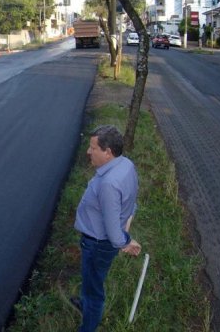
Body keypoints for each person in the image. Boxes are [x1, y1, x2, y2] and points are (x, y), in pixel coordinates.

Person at [73, 125, 142, 332]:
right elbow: (131, 199)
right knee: (92, 280)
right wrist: (127, 220)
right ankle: (86, 304)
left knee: (94, 290)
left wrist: (125, 241)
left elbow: (113, 232)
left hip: (97, 244)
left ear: (108, 152)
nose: (88, 151)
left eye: (93, 148)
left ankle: (88, 323)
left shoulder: (109, 183)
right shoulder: (126, 164)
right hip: (100, 242)